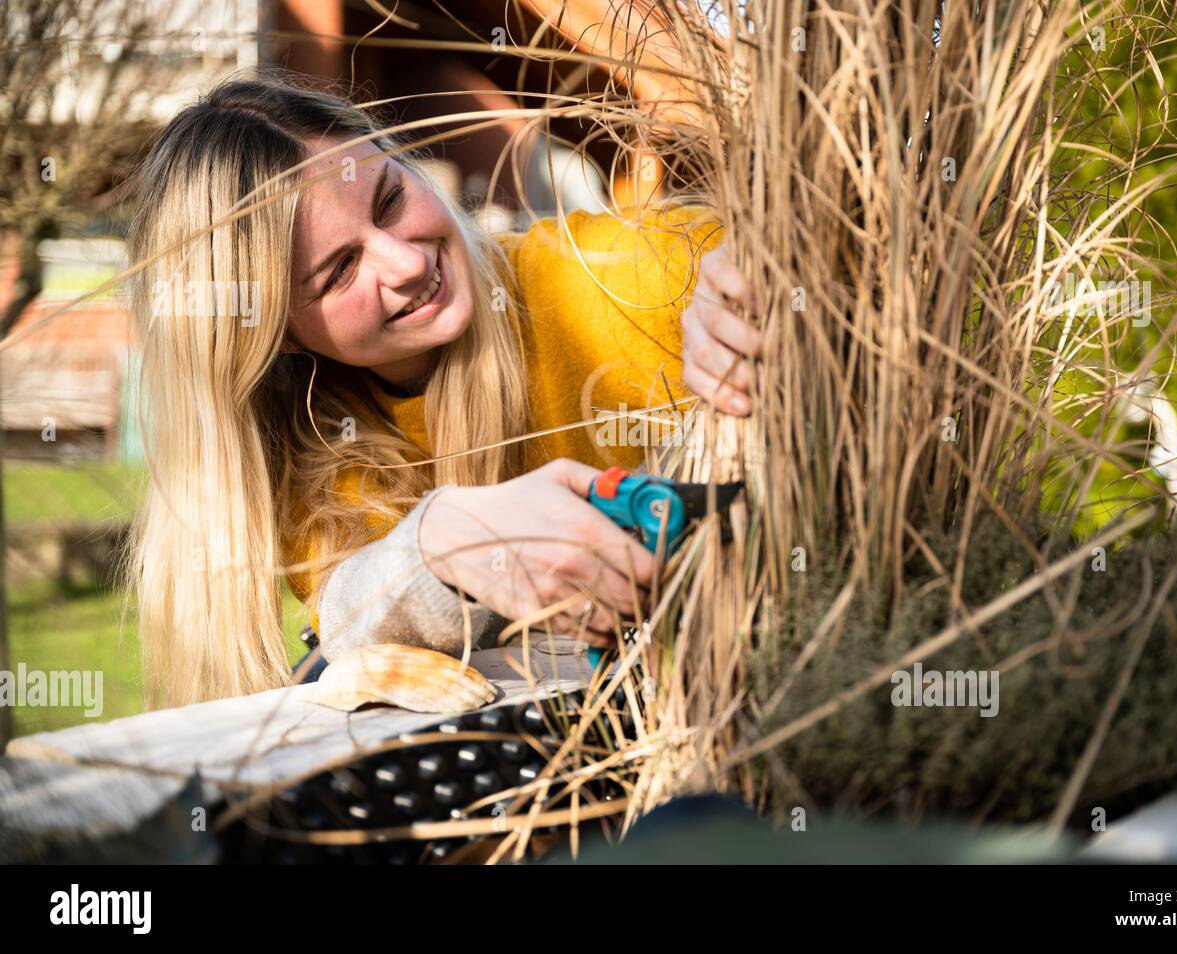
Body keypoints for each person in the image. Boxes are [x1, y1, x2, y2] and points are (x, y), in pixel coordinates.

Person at [124, 73, 764, 707]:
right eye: (340, 270)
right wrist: (440, 545)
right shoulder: (316, 442)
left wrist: (742, 282)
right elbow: (354, 620)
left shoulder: (625, 278)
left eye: (390, 202)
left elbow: (752, 263)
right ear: (283, 336)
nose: (406, 264)